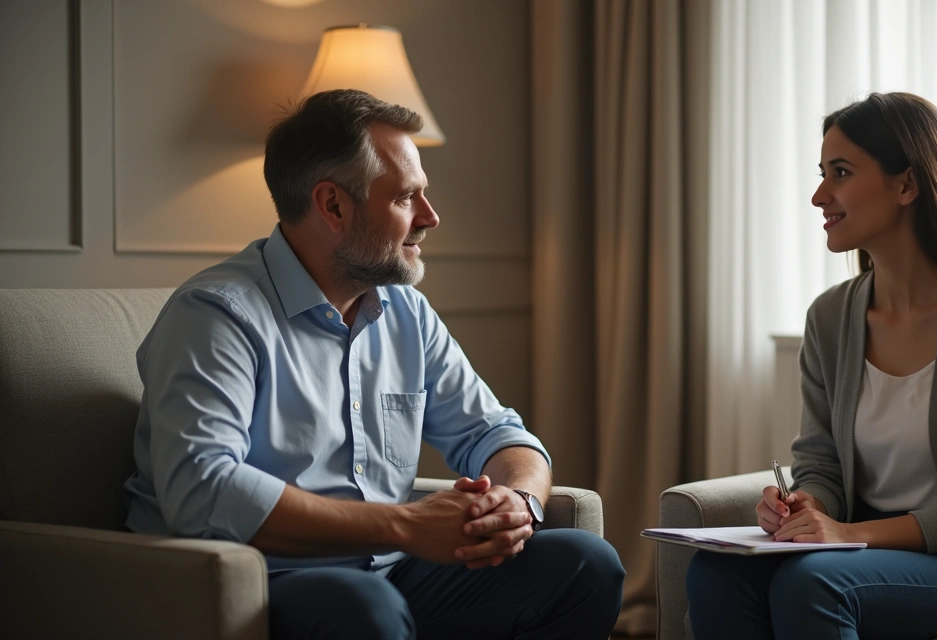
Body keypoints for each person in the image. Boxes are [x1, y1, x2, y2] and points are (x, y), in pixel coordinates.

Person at [123, 89, 625, 639]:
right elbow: (202, 488)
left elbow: (497, 433)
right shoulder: (218, 315)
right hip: (257, 579)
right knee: (361, 606)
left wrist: (518, 503)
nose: (431, 218)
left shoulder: (404, 311)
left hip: (389, 572)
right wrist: (405, 525)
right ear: (333, 205)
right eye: (407, 198)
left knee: (584, 562)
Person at [686, 92, 937, 639]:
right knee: (716, 572)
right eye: (821, 173)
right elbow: (821, 464)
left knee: (814, 581)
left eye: (840, 173)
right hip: (857, 553)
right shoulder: (831, 317)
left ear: (907, 185)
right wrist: (805, 506)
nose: (819, 195)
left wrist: (846, 533)